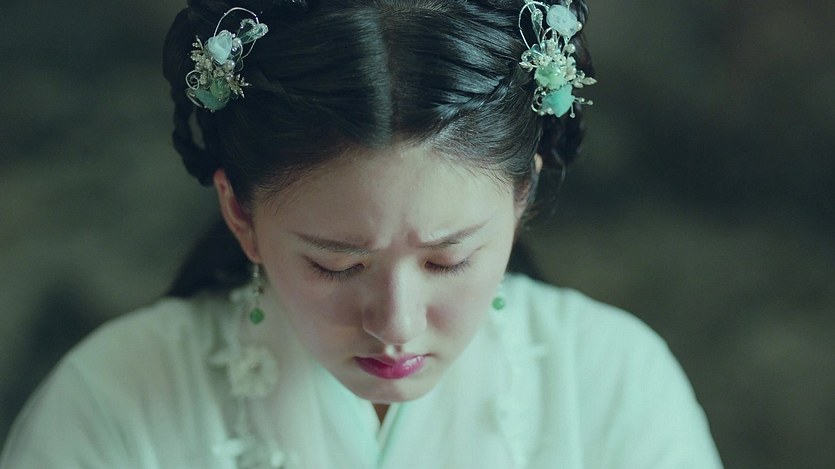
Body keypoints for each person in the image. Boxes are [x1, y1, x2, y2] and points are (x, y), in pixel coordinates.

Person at [1, 0, 723, 467]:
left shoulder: (613, 382)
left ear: (522, 196)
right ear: (240, 214)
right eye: (337, 265)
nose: (396, 324)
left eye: (448, 259)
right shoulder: (111, 402)